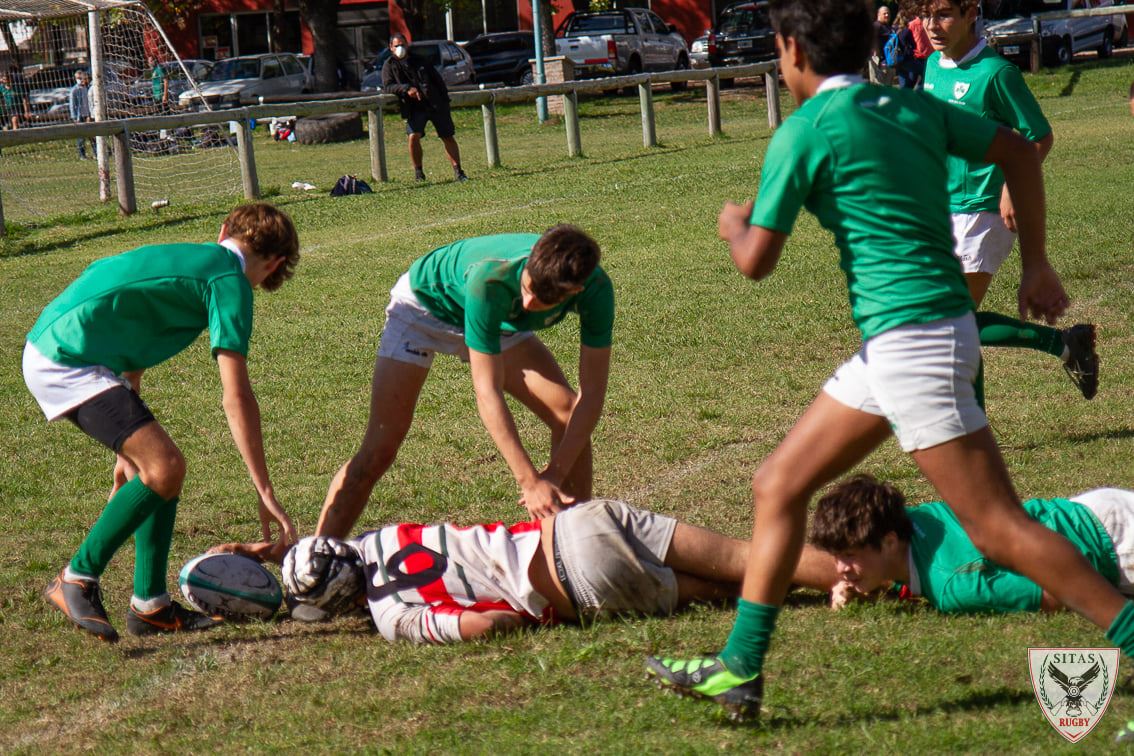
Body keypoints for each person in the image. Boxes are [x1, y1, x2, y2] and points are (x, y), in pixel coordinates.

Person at [645, 0, 1134, 724]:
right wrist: (1035, 262)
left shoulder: (803, 131)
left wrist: (733, 225)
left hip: (916, 342)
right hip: (908, 339)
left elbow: (755, 263)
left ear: (790, 52)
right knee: (777, 483)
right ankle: (741, 669)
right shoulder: (908, 104)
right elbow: (1019, 150)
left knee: (998, 527)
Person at [25, 203, 301, 643]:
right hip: (68, 359)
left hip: (58, 343)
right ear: (275, 265)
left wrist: (125, 445)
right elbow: (236, 395)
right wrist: (263, 490)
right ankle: (76, 577)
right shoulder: (230, 282)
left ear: (223, 229)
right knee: (165, 466)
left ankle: (150, 606)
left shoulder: (191, 256)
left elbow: (133, 325)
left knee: (156, 471)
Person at [316, 227, 614, 539]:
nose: (527, 304)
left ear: (574, 291)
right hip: (425, 310)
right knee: (380, 449)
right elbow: (488, 391)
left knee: (566, 413)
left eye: (542, 299)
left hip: (497, 320)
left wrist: (556, 474)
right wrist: (529, 482)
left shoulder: (596, 290)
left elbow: (591, 393)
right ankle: (314, 563)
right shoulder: (491, 280)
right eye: (527, 288)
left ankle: (576, 547)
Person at [216, 498, 839, 642]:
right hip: (577, 523)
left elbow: (486, 628)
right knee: (742, 555)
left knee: (724, 591)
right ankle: (858, 567)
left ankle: (846, 586)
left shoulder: (387, 614)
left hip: (579, 584)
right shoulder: (377, 538)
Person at [920, 0, 1098, 400]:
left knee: (952, 324)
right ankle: (1067, 344)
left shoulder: (997, 73)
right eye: (927, 15)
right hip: (942, 208)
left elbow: (1038, 135)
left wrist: (1010, 187)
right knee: (950, 322)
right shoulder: (934, 66)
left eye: (945, 14)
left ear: (970, 14)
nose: (933, 25)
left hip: (982, 211)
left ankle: (973, 430)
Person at [810, 475, 1134, 615]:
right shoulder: (915, 518)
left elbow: (1055, 594)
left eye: (850, 556)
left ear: (890, 541)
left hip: (1117, 549)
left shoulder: (954, 586)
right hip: (1088, 510)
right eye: (837, 556)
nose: (841, 569)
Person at [381, 34, 467, 183]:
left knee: (447, 136)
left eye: (402, 44)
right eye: (396, 46)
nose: (400, 48)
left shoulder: (420, 60)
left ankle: (458, 171)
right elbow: (388, 86)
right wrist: (406, 89)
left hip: (435, 103)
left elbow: (437, 80)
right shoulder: (389, 65)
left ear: (407, 45)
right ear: (391, 48)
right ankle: (419, 173)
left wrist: (444, 101)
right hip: (414, 107)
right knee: (413, 136)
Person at [68, 70, 93, 159]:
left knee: (93, 136)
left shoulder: (88, 88)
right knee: (81, 137)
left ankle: (97, 153)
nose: (79, 80)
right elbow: (72, 105)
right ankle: (82, 155)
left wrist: (90, 115)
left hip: (89, 115)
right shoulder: (74, 90)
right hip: (80, 116)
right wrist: (74, 117)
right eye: (77, 78)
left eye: (80, 78)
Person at [870, 4, 895, 84]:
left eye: (888, 13)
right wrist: (875, 52)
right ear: (878, 14)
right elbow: (871, 39)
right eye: (884, 13)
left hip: (888, 62)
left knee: (887, 88)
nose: (887, 15)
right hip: (880, 63)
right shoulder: (876, 26)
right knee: (879, 87)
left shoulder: (887, 26)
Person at [908, 13, 933, 88]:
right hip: (916, 56)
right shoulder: (913, 24)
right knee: (912, 80)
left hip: (928, 56)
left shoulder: (929, 23)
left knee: (924, 80)